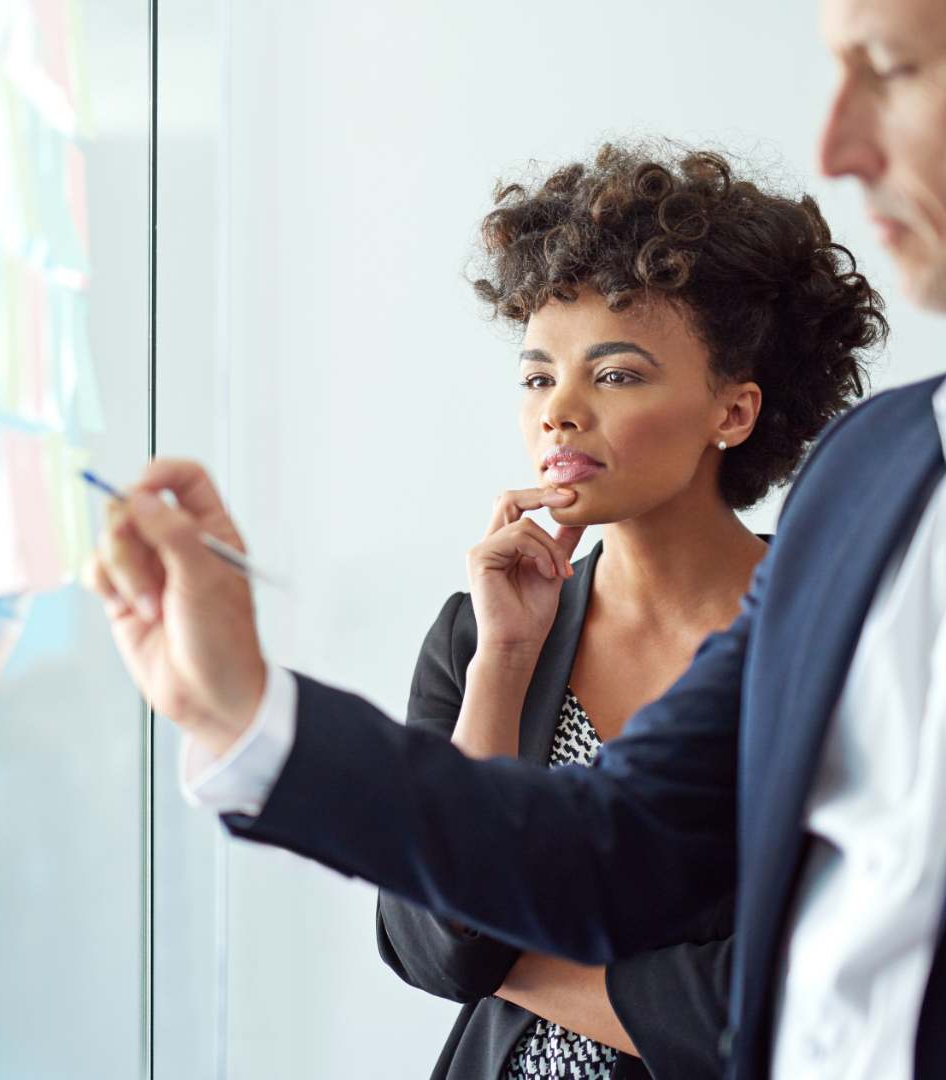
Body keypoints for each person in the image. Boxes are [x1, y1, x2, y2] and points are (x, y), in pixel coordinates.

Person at [83, 0, 946, 1076]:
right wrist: (244, 709)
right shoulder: (875, 473)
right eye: (539, 373)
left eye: (894, 67)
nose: (838, 144)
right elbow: (614, 846)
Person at [374, 144, 881, 1080]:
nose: (558, 413)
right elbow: (436, 946)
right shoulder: (478, 632)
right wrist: (505, 663)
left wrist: (518, 956)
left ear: (733, 411)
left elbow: (794, 993)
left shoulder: (836, 635)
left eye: (614, 375)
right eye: (537, 377)